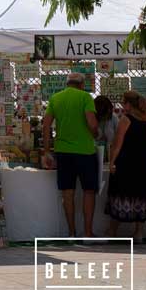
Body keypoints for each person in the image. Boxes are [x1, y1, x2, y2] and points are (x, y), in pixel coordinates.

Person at [41, 72, 99, 238]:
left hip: (63, 151)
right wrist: (96, 133)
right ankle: (87, 232)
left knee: (67, 192)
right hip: (85, 151)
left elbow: (46, 126)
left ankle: (72, 232)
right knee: (89, 191)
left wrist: (46, 150)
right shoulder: (85, 97)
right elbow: (92, 123)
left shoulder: (55, 98)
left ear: (67, 84)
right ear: (81, 85)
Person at [106, 90, 146, 241]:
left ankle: (112, 231)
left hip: (127, 163)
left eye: (123, 102)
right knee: (142, 194)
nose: (122, 105)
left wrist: (112, 162)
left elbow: (117, 144)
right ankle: (139, 233)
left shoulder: (126, 119)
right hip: (145, 163)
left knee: (120, 194)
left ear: (128, 104)